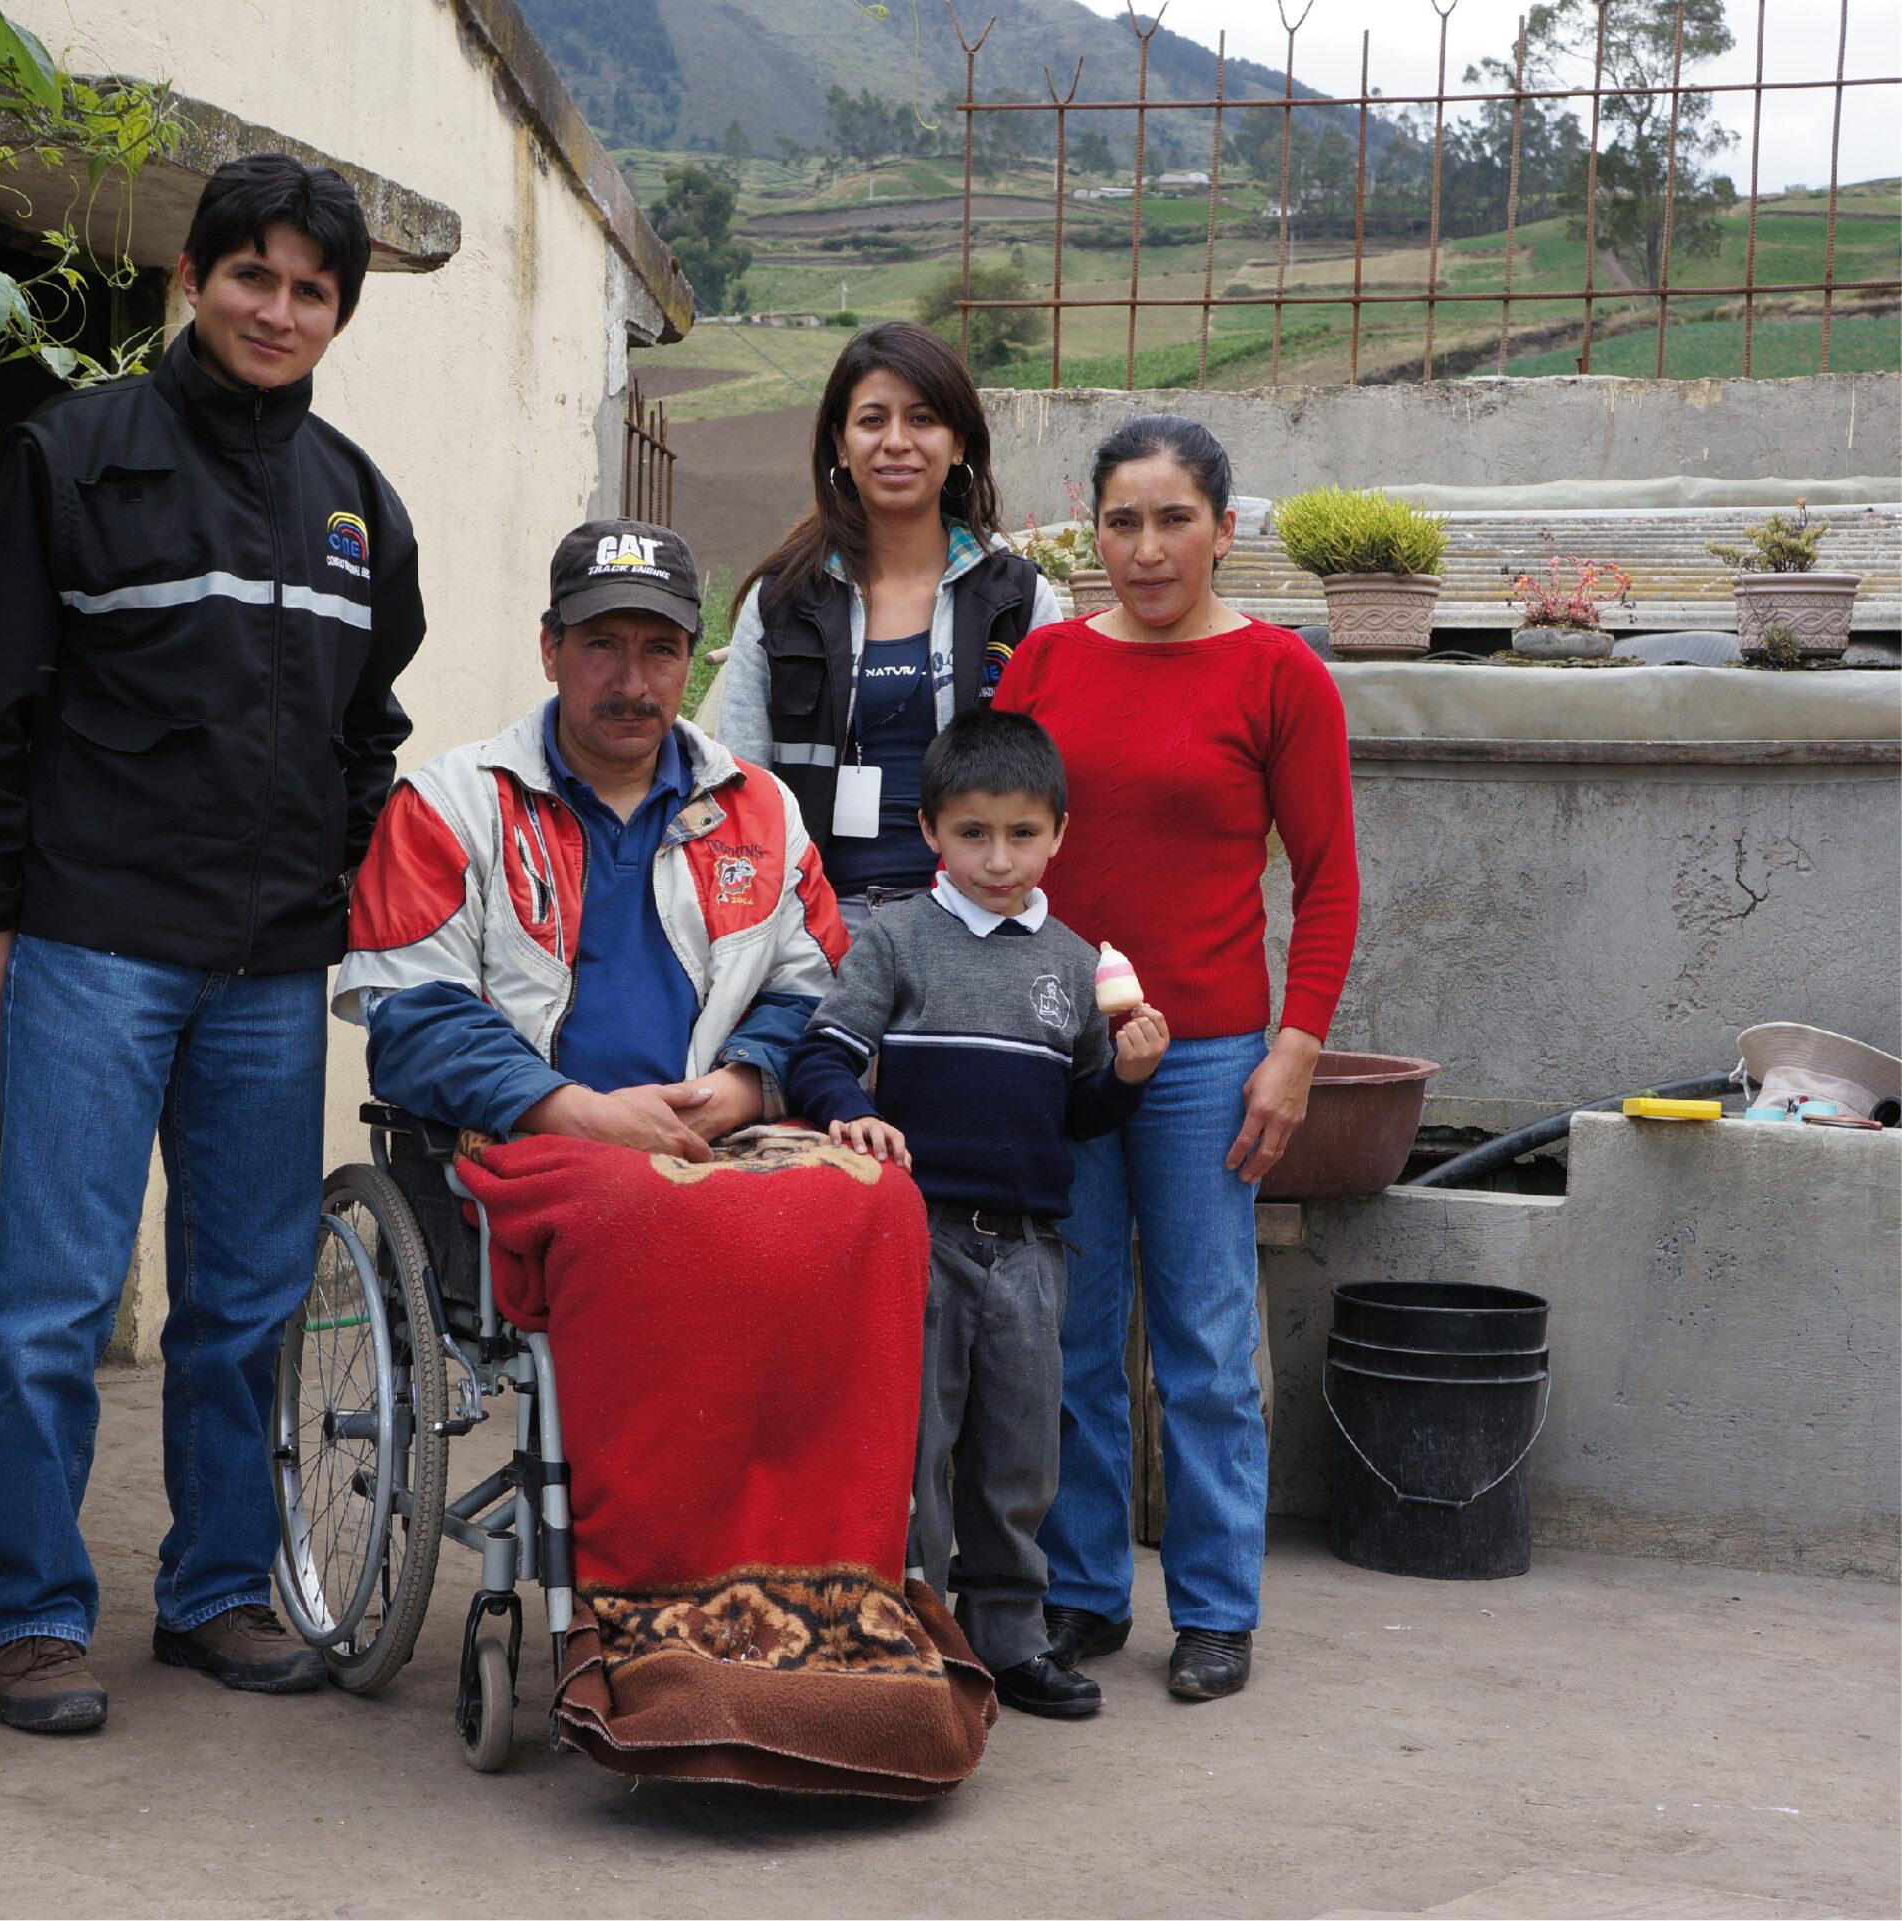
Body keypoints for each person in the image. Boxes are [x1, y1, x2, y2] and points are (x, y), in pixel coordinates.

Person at [0, 153, 425, 1733]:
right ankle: (34, 1615)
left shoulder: (357, 501)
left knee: (248, 1301)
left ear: (338, 314)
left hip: (271, 966)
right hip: (93, 942)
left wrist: (325, 883)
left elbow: (368, 733)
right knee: (55, 1300)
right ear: (195, 275)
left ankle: (215, 1591)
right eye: (253, 275)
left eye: (312, 290)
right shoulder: (79, 458)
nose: (279, 310)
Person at [990, 414, 1359, 1704]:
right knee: (1073, 1338)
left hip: (1209, 1056)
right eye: (1121, 521)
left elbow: (1327, 884)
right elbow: (993, 850)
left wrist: (1293, 1051)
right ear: (1089, 531)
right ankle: (1085, 1592)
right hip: (1061, 1053)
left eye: (1173, 519)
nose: (1146, 550)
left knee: (1202, 1344)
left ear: (1225, 526)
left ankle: (1213, 1606)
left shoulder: (1279, 677)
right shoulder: (1038, 665)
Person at [784, 707, 1170, 1722]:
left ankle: (1007, 1638)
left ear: (1059, 833)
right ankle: (906, 1632)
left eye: (1021, 834)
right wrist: (856, 1113)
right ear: (929, 831)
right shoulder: (901, 938)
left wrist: (1127, 1077)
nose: (997, 858)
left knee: (1018, 1454)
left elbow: (1078, 1111)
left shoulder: (1076, 962)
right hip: (919, 1238)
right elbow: (819, 1051)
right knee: (915, 1446)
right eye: (972, 833)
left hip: (1032, 1254)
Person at [334, 518, 844, 1153]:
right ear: (550, 648)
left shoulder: (762, 807)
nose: (632, 685)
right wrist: (575, 1113)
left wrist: (728, 1096)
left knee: (881, 1208)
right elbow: (413, 1018)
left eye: (660, 649)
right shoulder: (446, 804)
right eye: (602, 644)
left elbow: (817, 995)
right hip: (529, 1141)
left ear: (690, 657)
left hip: (718, 1140)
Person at [713, 320, 1063, 930]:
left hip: (969, 926)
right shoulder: (782, 601)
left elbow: (1051, 784)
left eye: (923, 419)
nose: (897, 441)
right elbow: (744, 788)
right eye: (873, 420)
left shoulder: (1019, 598)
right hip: (811, 931)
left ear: (959, 444)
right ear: (841, 447)